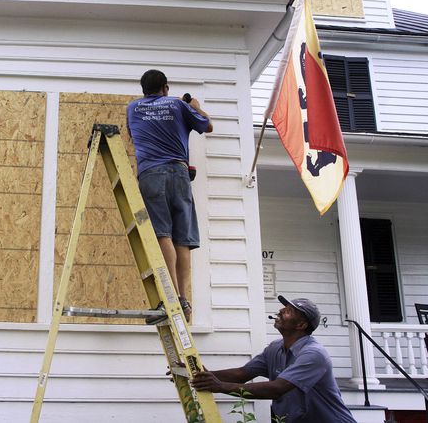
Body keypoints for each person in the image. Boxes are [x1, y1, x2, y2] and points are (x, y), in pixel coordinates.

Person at [126, 69, 213, 322]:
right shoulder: (177, 104)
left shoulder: (133, 108)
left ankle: (172, 296)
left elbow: (133, 135)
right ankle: (183, 299)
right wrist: (195, 106)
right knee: (181, 239)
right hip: (178, 172)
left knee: (162, 234)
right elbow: (207, 126)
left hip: (150, 174)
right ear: (165, 86)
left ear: (143, 90)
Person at [190, 296, 357, 423]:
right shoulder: (275, 348)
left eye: (289, 311)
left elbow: (277, 388)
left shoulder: (313, 354)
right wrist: (199, 374)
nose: (281, 311)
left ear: (301, 325)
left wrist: (220, 387)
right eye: (284, 308)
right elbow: (242, 374)